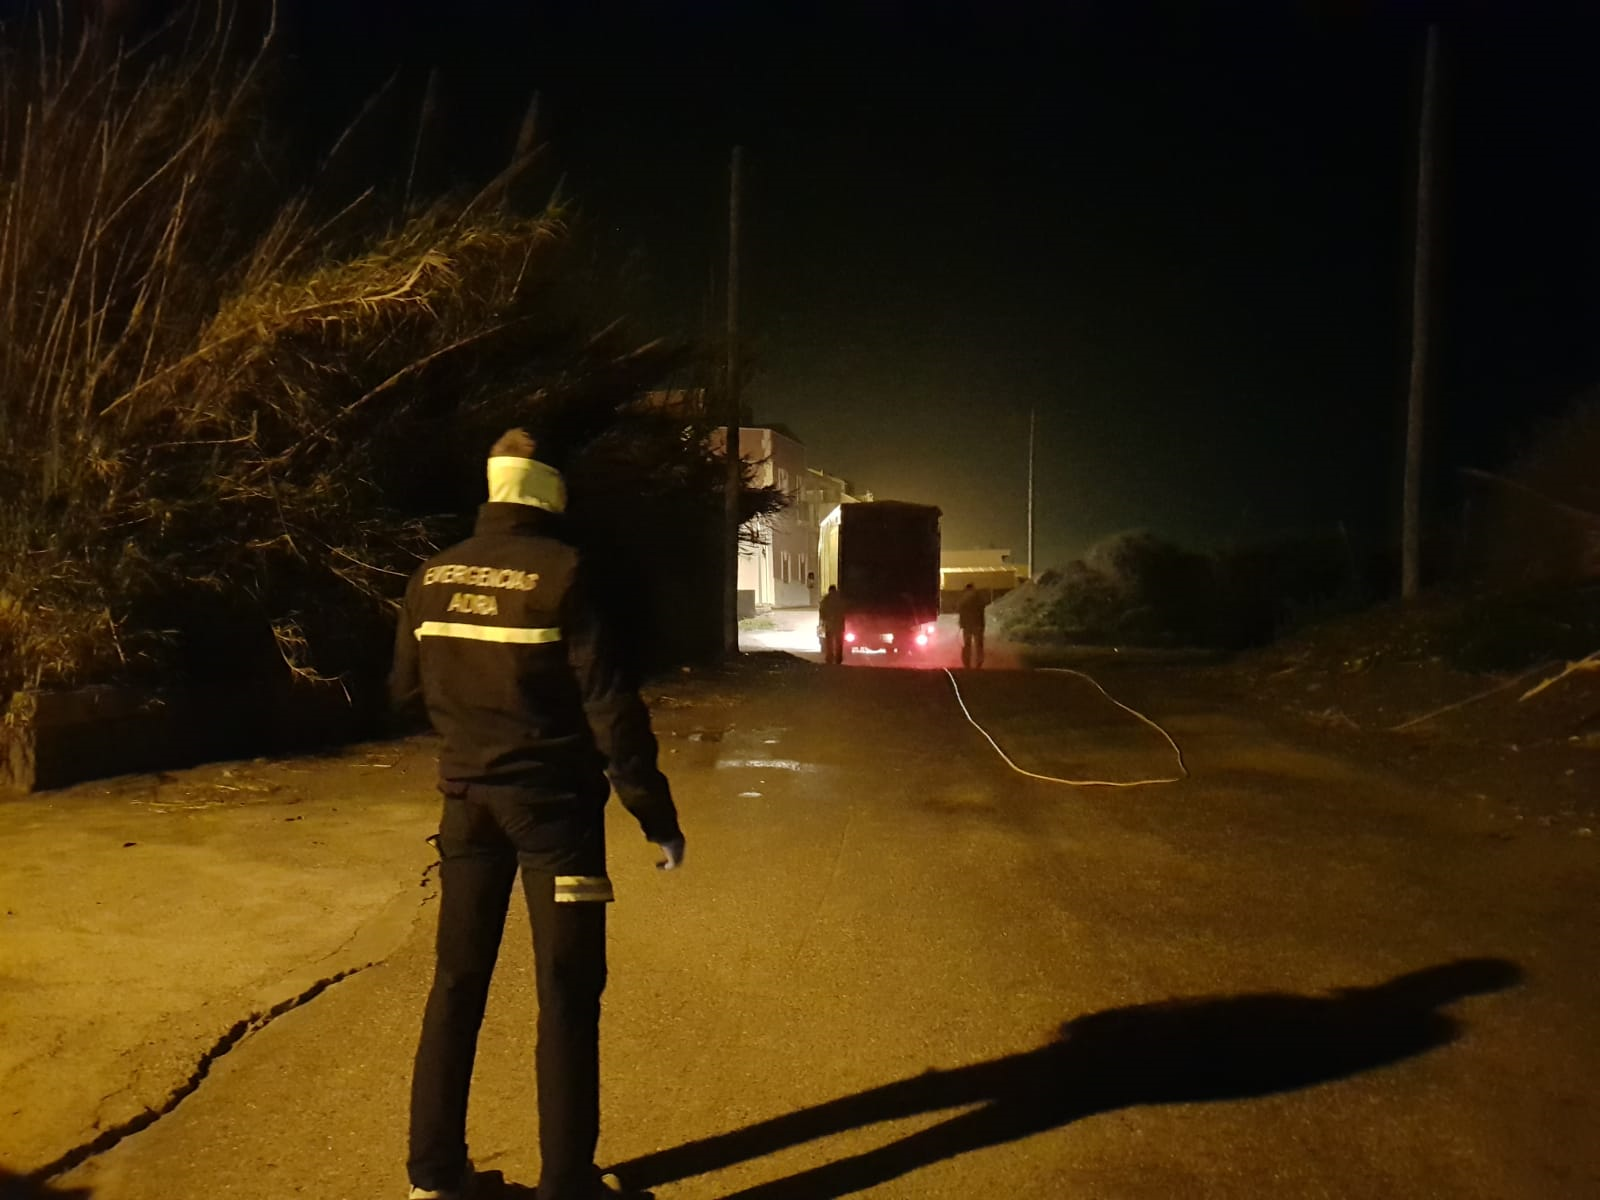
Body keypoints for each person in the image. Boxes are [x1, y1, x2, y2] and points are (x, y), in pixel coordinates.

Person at [390, 429, 684, 1200]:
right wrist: (654, 814)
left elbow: (403, 691)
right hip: (557, 818)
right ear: (551, 490)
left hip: (465, 808)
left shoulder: (432, 574)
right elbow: (612, 712)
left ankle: (433, 1179)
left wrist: (471, 736)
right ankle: (567, 1184)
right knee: (566, 990)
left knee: (456, 983)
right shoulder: (567, 574)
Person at [958, 583, 987, 669]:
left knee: (967, 644)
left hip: (967, 625)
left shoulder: (963, 599)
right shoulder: (978, 598)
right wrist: (982, 625)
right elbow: (982, 610)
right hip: (978, 624)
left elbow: (960, 611)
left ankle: (967, 663)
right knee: (979, 645)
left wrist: (962, 624)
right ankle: (979, 662)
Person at [817, 583, 846, 664]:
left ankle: (829, 657)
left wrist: (823, 620)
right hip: (839, 625)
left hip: (829, 625)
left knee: (829, 642)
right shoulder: (840, 599)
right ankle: (838, 658)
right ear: (835, 590)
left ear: (829, 590)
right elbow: (845, 610)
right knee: (839, 642)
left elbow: (821, 611)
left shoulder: (826, 599)